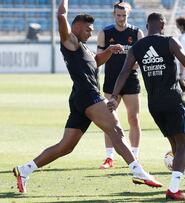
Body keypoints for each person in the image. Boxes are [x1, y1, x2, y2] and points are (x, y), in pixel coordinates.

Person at [12, 0, 162, 193]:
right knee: (115, 128)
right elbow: (60, 16)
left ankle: (24, 170)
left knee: (65, 146)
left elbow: (96, 62)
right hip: (87, 94)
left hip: (79, 98)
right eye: (88, 29)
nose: (91, 32)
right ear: (76, 27)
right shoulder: (70, 41)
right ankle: (138, 171)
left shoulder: (83, 48)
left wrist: (108, 51)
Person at [107, 13, 185, 200]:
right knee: (183, 145)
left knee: (176, 146)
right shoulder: (170, 42)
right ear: (162, 24)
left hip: (154, 105)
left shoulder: (137, 47)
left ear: (147, 26)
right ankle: (174, 189)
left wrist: (114, 97)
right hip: (173, 101)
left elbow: (123, 72)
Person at [97, 1, 144, 169]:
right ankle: (109, 157)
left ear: (128, 15)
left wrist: (137, 63)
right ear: (113, 14)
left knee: (134, 118)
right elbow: (98, 58)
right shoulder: (105, 33)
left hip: (131, 80)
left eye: (124, 15)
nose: (121, 18)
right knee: (108, 120)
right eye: (118, 15)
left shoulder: (136, 33)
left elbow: (141, 57)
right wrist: (108, 51)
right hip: (111, 81)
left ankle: (135, 155)